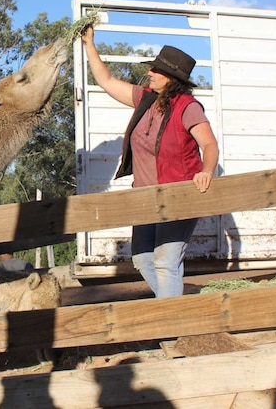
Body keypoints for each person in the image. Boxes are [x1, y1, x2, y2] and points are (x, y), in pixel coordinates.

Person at [81, 25, 219, 298]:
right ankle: (175, 311)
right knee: (143, 259)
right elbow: (106, 81)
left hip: (177, 194)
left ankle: (170, 326)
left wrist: (206, 171)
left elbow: (209, 144)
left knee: (166, 262)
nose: (149, 73)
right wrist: (89, 43)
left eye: (156, 71)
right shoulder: (145, 100)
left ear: (171, 77)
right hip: (145, 196)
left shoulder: (187, 107)